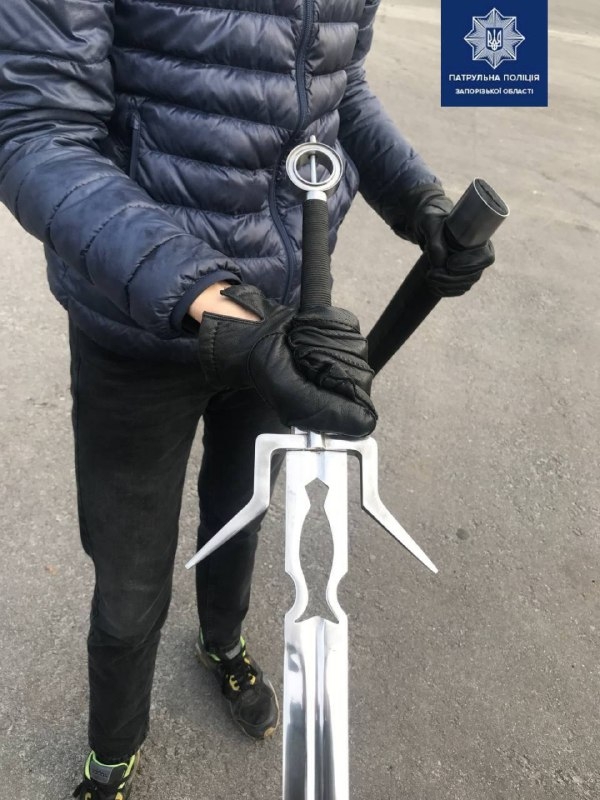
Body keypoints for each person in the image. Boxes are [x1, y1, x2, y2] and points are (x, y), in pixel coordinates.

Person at [0, 1, 494, 798]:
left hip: (280, 315)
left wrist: (418, 200)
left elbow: (338, 86)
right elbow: (37, 132)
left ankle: (221, 644)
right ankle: (111, 754)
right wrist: (211, 302)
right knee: (129, 584)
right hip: (136, 324)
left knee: (241, 511)